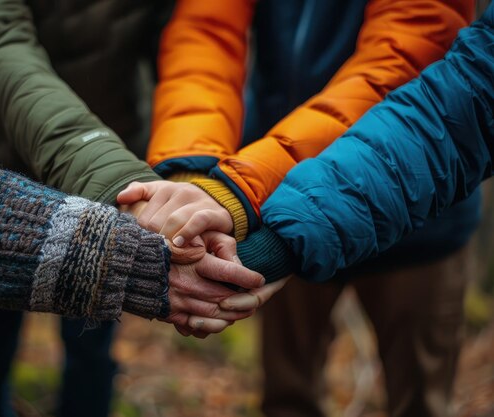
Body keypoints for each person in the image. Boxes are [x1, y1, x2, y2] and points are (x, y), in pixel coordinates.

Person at [118, 1, 479, 416]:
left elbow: (406, 53)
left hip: (419, 209)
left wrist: (238, 191)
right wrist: (192, 165)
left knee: (419, 400)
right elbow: (206, 29)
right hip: (274, 203)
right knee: (288, 397)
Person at [0, 108, 280, 386]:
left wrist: (188, 185)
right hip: (16, 168)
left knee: (89, 359)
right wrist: (124, 250)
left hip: (121, 191)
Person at [0, 1, 174, 416]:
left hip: (110, 190)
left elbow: (180, 53)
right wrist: (105, 168)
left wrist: (192, 172)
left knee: (89, 354)